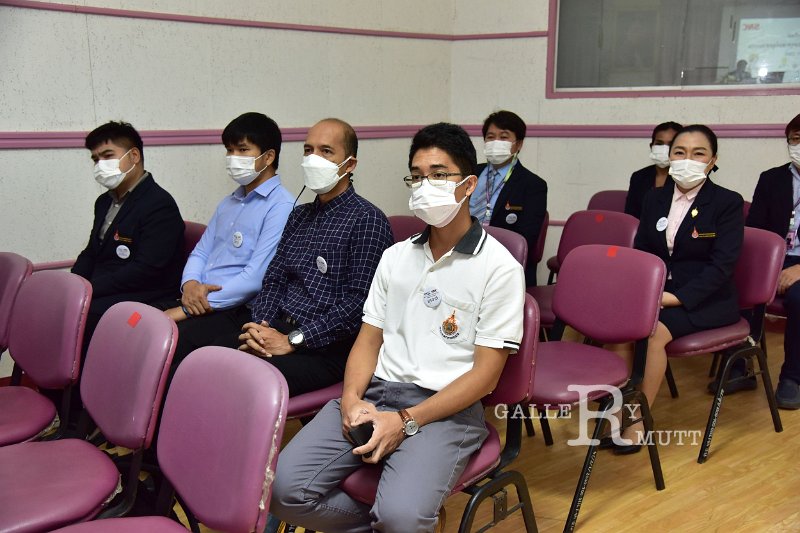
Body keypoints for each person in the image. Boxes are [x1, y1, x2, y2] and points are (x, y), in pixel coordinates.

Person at [270, 123, 526, 532]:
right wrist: (351, 398)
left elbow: (485, 376)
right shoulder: (395, 257)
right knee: (282, 489)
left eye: (439, 175)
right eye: (417, 176)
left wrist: (407, 420)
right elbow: (368, 340)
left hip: (445, 411)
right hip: (375, 395)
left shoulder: (499, 268)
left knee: (400, 517)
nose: (426, 186)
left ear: (468, 184)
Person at [182, 118, 393, 396]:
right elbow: (274, 280)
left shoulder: (367, 220)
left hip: (326, 347)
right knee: (199, 363)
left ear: (350, 164)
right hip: (278, 329)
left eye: (326, 151)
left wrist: (293, 340)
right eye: (308, 150)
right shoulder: (299, 215)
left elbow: (358, 306)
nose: (314, 159)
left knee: (232, 383)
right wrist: (260, 327)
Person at [619, 124, 744, 452]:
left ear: (713, 160)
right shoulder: (654, 198)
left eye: (698, 153)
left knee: (651, 333)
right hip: (658, 293)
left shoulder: (727, 202)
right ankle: (616, 409)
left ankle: (636, 420)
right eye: (680, 152)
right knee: (618, 328)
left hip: (707, 299)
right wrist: (646, 293)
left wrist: (674, 298)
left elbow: (722, 266)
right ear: (670, 158)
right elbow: (643, 251)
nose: (687, 159)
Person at [159, 112, 293, 364]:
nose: (233, 158)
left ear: (268, 157)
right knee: (139, 322)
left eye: (242, 150)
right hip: (200, 299)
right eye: (229, 150)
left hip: (236, 309)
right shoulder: (229, 202)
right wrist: (189, 285)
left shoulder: (281, 206)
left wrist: (187, 309)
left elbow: (254, 279)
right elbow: (201, 252)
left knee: (171, 345)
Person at [72, 121, 184, 344]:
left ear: (134, 156)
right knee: (63, 303)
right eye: (95, 159)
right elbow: (92, 252)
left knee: (84, 314)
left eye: (108, 156)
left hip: (148, 291)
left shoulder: (159, 204)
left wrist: (91, 288)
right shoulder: (104, 202)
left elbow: (146, 269)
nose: (100, 165)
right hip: (109, 286)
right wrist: (74, 284)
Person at [742, 112, 800, 409]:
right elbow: (755, 230)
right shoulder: (771, 179)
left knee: (799, 298)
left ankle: (792, 377)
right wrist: (769, 269)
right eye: (796, 139)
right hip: (774, 258)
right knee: (734, 281)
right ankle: (740, 363)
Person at [469, 110, 547, 285]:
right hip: (462, 257)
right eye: (490, 137)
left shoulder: (533, 185)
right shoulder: (469, 173)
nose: (495, 142)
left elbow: (526, 239)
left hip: (503, 267)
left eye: (503, 137)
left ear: (518, 144)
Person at [624, 121, 682, 219]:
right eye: (659, 144)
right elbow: (630, 216)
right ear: (651, 146)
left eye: (670, 144)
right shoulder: (639, 176)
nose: (664, 149)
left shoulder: (685, 178)